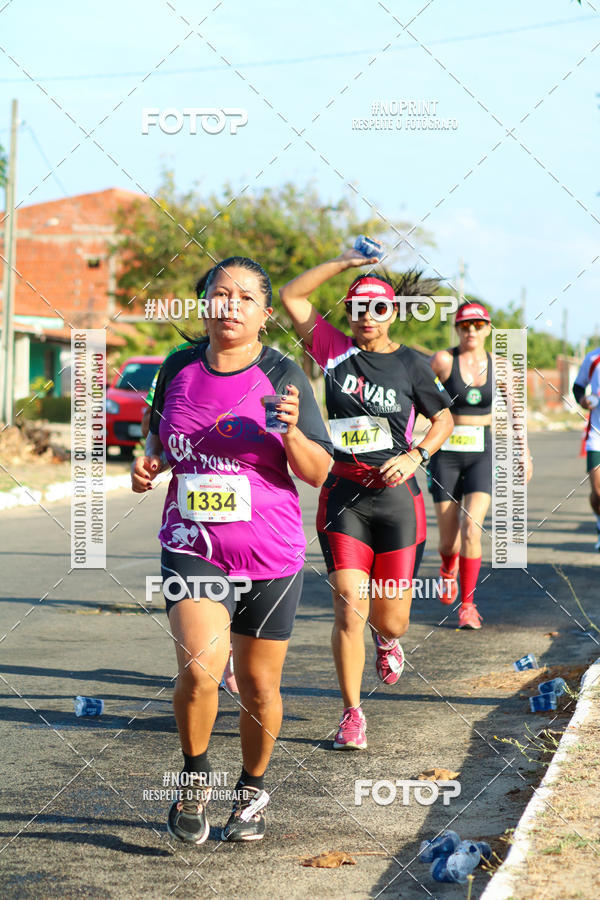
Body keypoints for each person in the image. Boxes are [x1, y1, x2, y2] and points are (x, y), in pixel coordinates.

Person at [132, 256, 333, 844]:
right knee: (199, 669)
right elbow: (159, 440)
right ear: (204, 304)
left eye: (247, 298)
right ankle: (195, 779)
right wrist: (149, 467)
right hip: (193, 543)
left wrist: (292, 430)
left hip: (271, 553)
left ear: (266, 315)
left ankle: (250, 790)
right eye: (222, 295)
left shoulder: (285, 374)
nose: (232, 306)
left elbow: (319, 472)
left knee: (259, 687)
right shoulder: (175, 368)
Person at [279, 250, 453, 750]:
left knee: (391, 616)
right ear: (348, 315)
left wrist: (418, 454)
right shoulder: (332, 349)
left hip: (398, 498)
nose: (367, 319)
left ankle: (389, 638)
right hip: (343, 495)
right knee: (348, 606)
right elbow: (292, 295)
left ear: (393, 313)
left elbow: (442, 419)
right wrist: (342, 263)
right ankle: (352, 713)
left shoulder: (413, 365)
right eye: (357, 309)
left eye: (378, 309)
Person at [429, 302, 533, 628]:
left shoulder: (500, 367)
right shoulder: (443, 361)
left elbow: (516, 411)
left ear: (488, 328)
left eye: (477, 325)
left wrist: (523, 452)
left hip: (482, 452)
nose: (471, 330)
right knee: (449, 541)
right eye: (465, 325)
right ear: (457, 329)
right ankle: (448, 567)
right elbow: (416, 395)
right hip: (445, 452)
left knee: (471, 528)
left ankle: (468, 606)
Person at [573, 346, 600, 550]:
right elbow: (578, 387)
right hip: (597, 435)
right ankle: (599, 524)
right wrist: (583, 400)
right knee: (598, 492)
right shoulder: (593, 357)